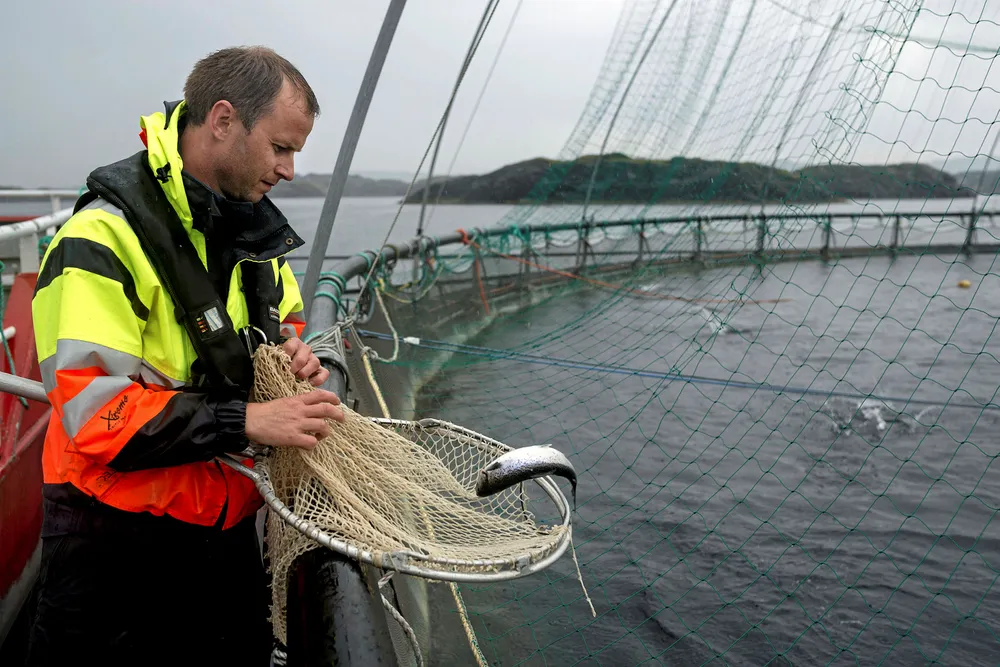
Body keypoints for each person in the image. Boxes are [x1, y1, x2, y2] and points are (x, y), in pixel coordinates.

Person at [25, 46, 344, 666]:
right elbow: (94, 413)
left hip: (225, 540)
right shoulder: (100, 239)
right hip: (111, 549)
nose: (289, 170)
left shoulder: (253, 233)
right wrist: (248, 420)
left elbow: (286, 322)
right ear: (223, 120)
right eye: (280, 148)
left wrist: (295, 357)